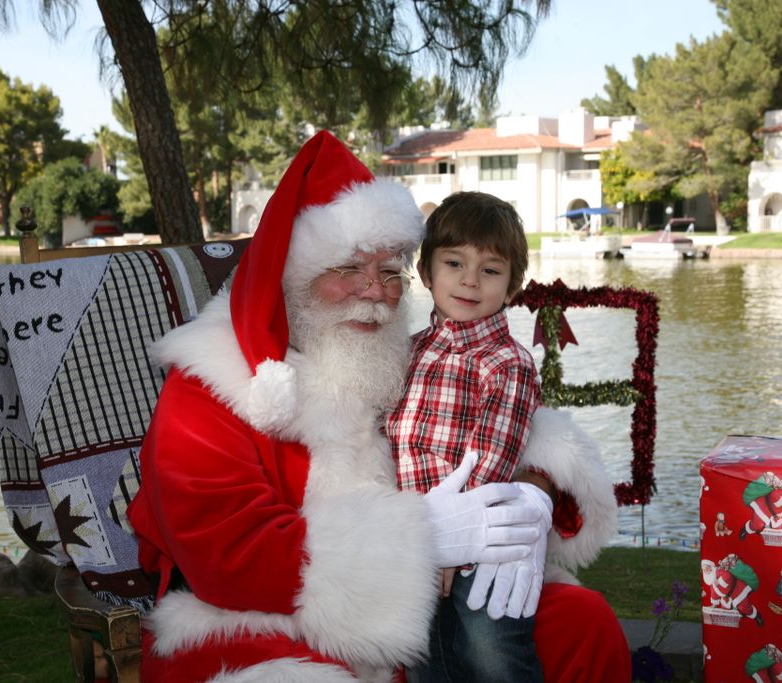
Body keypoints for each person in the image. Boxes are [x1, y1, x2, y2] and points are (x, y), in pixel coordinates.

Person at [127, 130, 630, 682]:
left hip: (425, 596)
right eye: (347, 269)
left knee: (582, 622)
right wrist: (420, 538)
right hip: (265, 618)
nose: (375, 291)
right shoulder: (211, 382)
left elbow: (490, 423)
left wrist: (535, 486)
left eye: (390, 271)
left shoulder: (396, 354)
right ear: (293, 278)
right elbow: (230, 557)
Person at [386, 191, 547, 682]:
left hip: (480, 543)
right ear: (428, 270)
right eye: (454, 263)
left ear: (513, 285)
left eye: (491, 270)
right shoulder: (407, 351)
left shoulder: (507, 362)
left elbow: (490, 459)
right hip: (416, 537)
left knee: (491, 654)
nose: (470, 281)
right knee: (427, 657)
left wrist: (451, 544)